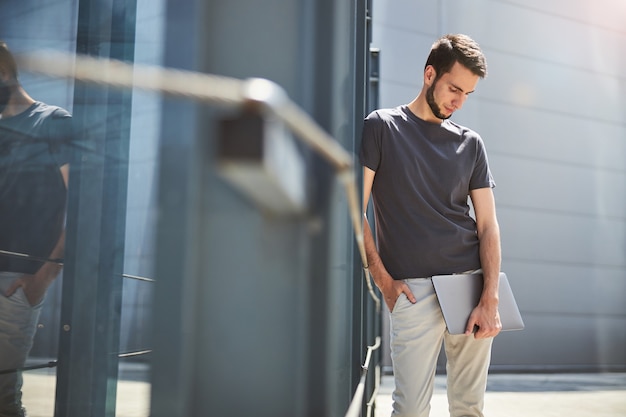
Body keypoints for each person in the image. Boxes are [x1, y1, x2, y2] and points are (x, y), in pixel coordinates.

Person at [360, 34, 502, 417]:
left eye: (468, 94)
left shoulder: (471, 144)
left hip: (470, 285)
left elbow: (488, 225)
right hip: (413, 291)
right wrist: (383, 279)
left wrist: (490, 297)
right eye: (454, 88)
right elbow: (354, 210)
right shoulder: (382, 127)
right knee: (409, 410)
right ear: (429, 74)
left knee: (469, 408)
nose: (459, 101)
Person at [0, 41, 73, 417]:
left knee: (2, 399)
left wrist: (42, 277)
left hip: (15, 283)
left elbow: (83, 208)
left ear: (5, 73)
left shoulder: (52, 122)